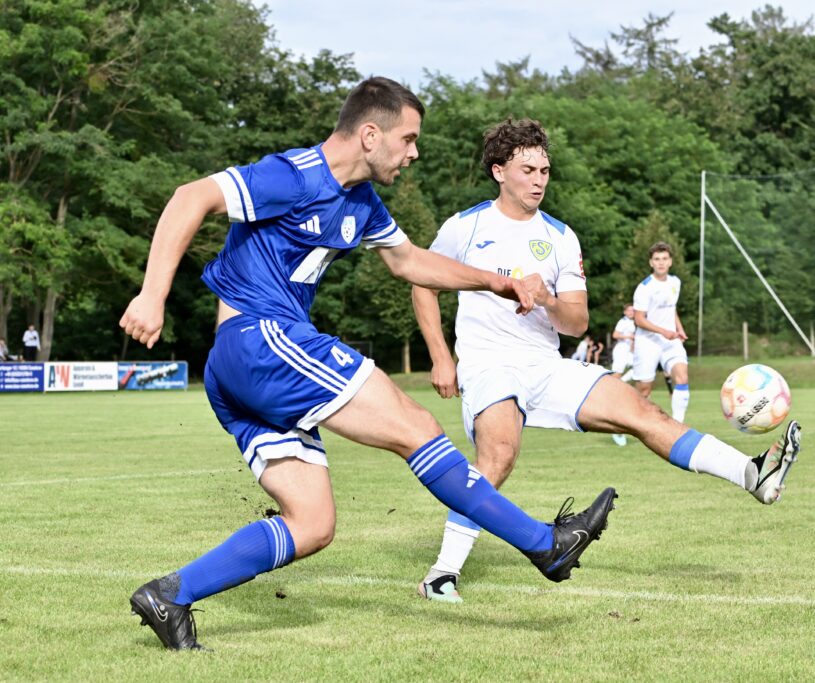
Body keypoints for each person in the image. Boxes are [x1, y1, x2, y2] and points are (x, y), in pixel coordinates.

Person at [119, 78, 617, 651]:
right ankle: (543, 544)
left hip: (242, 369)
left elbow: (410, 262)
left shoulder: (360, 202)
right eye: (408, 139)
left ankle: (171, 595)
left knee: (312, 524)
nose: (414, 152)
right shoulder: (296, 173)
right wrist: (152, 295)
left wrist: (500, 283)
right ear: (371, 133)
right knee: (417, 428)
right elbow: (190, 197)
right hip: (262, 340)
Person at [411, 118, 802, 603]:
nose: (539, 180)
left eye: (546, 170)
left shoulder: (560, 237)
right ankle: (442, 573)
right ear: (498, 171)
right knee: (498, 456)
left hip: (547, 364)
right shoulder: (465, 226)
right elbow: (421, 281)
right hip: (488, 362)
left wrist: (548, 297)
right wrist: (440, 356)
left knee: (643, 412)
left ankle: (752, 474)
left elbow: (576, 322)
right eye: (528, 169)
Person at [632, 243, 690, 423]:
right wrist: (663, 331)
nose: (661, 263)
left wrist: (679, 329)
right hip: (648, 342)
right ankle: (626, 425)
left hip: (670, 340)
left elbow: (671, 309)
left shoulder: (675, 282)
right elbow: (639, 319)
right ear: (651, 263)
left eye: (664, 259)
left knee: (682, 377)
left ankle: (677, 427)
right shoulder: (644, 288)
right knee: (644, 390)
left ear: (670, 261)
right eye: (657, 259)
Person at [609, 304, 636, 446]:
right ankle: (609, 392)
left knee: (638, 369)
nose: (632, 312)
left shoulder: (635, 321)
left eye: (633, 310)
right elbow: (615, 335)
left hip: (629, 351)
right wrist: (628, 336)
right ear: (625, 311)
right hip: (620, 350)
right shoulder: (623, 321)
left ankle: (620, 385)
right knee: (617, 374)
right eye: (629, 310)